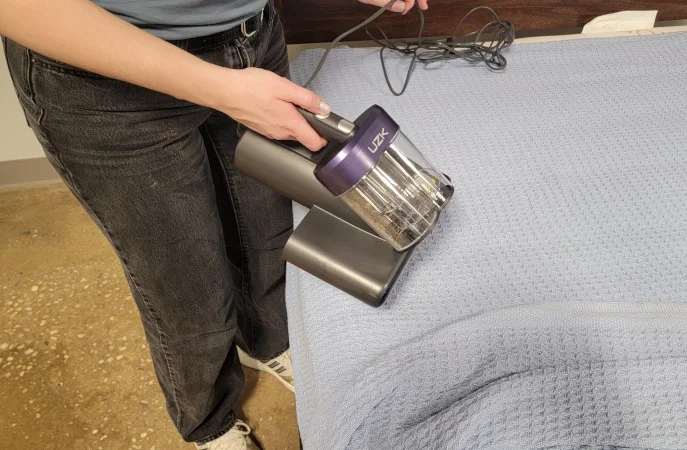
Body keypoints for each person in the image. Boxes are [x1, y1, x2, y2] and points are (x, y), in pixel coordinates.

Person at [0, 0, 428, 448]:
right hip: (108, 80)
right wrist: (218, 88)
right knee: (186, 287)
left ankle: (266, 344)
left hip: (251, 40)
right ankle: (209, 419)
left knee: (267, 235)